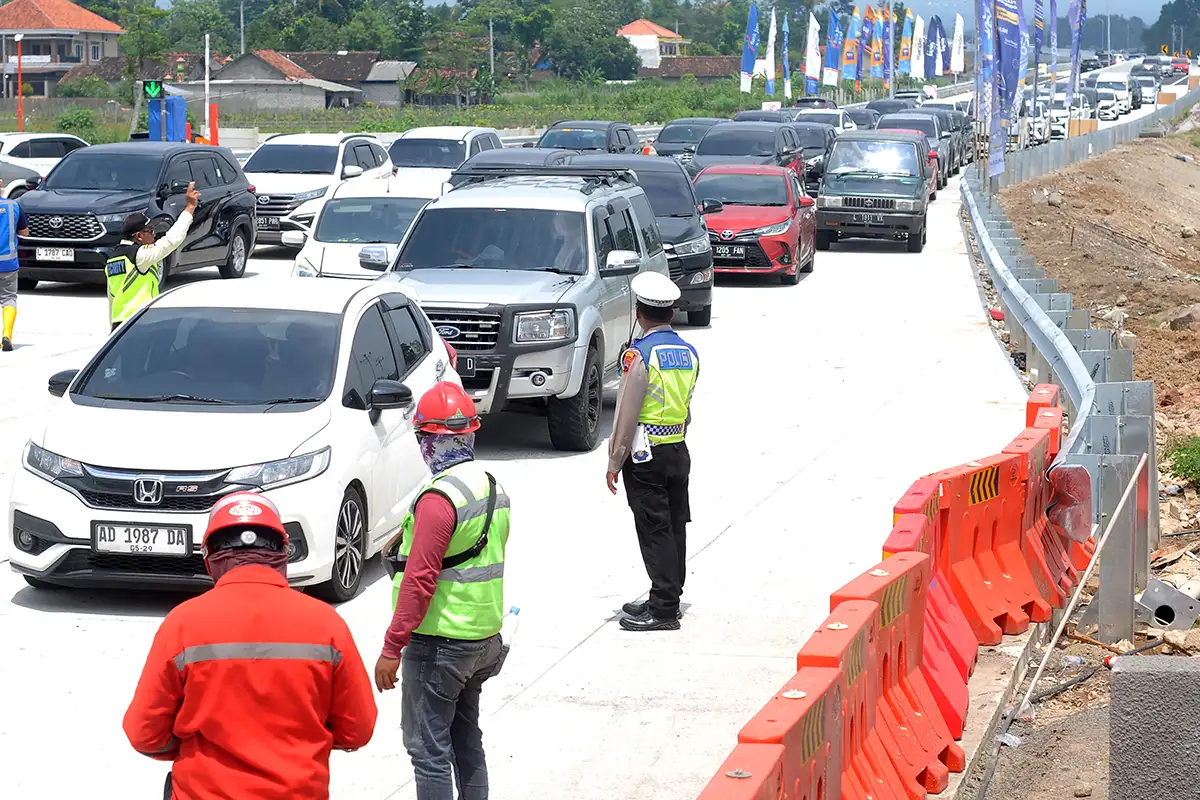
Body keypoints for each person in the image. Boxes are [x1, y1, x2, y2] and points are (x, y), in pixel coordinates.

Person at [123, 492, 377, 800]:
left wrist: (194, 746)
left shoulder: (183, 624)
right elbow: (357, 729)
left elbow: (144, 733)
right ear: (283, 554)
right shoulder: (327, 625)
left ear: (209, 560)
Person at [376, 381, 510, 800]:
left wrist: (391, 647)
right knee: (466, 740)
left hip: (440, 644)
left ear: (428, 440)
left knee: (428, 750)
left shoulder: (439, 497)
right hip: (482, 638)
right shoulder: (491, 486)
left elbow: (419, 580)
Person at [606, 271, 700, 633]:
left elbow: (627, 414)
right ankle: (668, 592)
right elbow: (686, 406)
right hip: (677, 447)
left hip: (646, 455)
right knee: (675, 525)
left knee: (654, 529)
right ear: (672, 313)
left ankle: (663, 609)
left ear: (638, 313)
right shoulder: (688, 353)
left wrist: (615, 460)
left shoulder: (639, 355)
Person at [107, 181, 199, 333]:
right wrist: (190, 207)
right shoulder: (140, 256)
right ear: (139, 236)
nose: (154, 234)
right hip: (140, 321)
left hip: (119, 324)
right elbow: (171, 240)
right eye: (150, 230)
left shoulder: (113, 258)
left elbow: (112, 297)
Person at [0, 180, 29, 352]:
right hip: (8, 263)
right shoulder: (14, 206)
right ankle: (7, 334)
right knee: (8, 298)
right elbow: (24, 232)